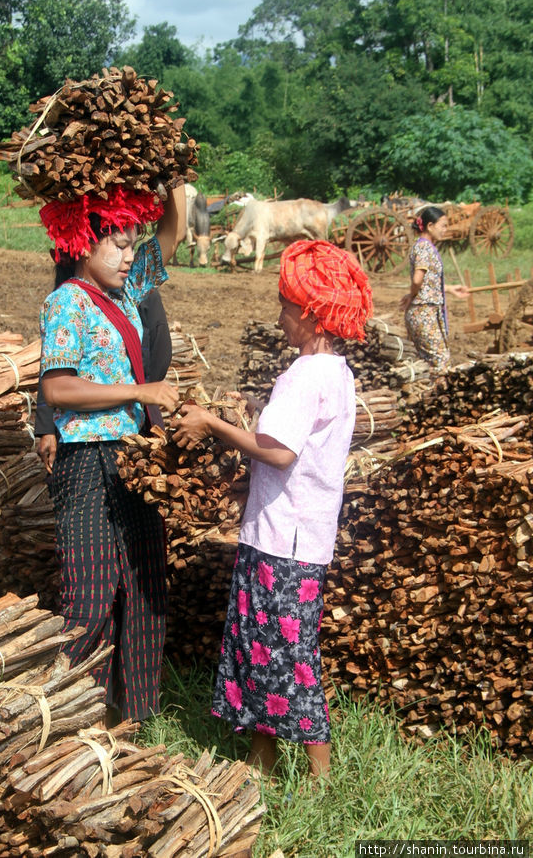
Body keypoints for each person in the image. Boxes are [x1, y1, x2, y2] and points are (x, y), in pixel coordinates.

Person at [171, 239, 373, 781]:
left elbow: (279, 450)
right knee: (261, 647)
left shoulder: (306, 377)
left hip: (284, 541)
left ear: (311, 313)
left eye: (286, 305)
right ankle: (261, 756)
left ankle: (320, 777)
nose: (280, 316)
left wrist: (212, 425)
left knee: (286, 655)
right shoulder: (337, 372)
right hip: (290, 534)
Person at [39, 182, 186, 724]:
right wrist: (140, 392)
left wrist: (169, 184)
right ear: (84, 244)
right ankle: (78, 717)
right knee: (92, 597)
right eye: (118, 244)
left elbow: (173, 236)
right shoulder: (67, 303)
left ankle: (135, 718)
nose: (130, 255)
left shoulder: (127, 289)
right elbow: (58, 388)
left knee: (146, 589)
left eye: (131, 243)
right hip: (86, 464)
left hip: (134, 462)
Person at [35, 287, 173, 473]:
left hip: (133, 430)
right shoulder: (68, 298)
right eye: (119, 254)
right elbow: (55, 380)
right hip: (86, 446)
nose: (128, 257)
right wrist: (139, 391)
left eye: (131, 254)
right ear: (85, 256)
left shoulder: (131, 289)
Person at [401, 206, 469, 373]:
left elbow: (426, 283)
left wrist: (451, 289)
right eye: (443, 226)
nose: (445, 230)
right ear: (430, 226)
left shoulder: (425, 247)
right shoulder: (424, 247)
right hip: (424, 312)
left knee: (430, 360)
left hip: (427, 311)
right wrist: (411, 295)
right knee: (440, 360)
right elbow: (417, 280)